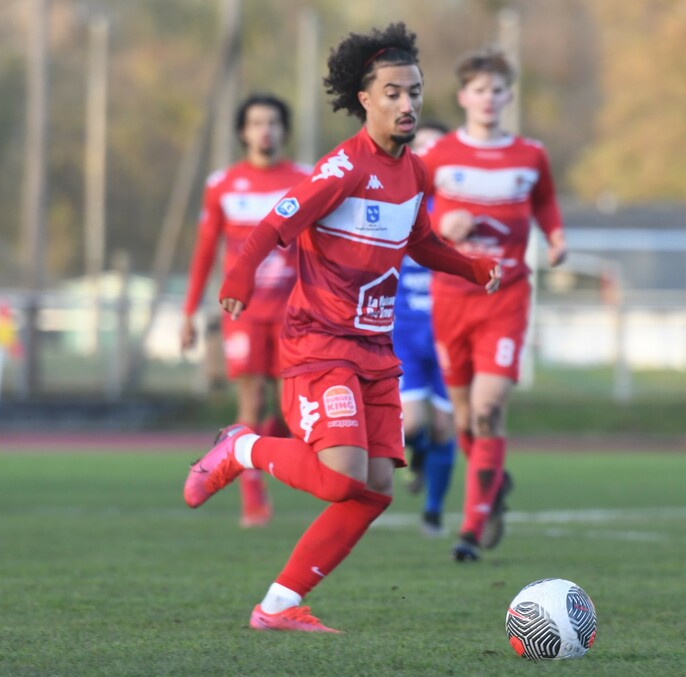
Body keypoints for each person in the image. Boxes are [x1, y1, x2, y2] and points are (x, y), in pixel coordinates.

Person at [183, 22, 501, 632]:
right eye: (392, 93)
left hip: (375, 349)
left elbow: (421, 241)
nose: (407, 104)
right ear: (365, 98)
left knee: (374, 488)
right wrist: (238, 281)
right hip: (318, 343)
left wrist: (471, 268)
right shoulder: (342, 168)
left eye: (414, 91)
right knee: (341, 477)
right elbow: (275, 225)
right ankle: (241, 447)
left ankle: (277, 606)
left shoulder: (415, 172)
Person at [420, 46, 567, 562]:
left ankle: (471, 527)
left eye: (497, 89)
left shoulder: (530, 155)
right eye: (479, 89)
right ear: (463, 96)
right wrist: (442, 227)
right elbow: (411, 218)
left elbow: (545, 200)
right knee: (463, 418)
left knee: (488, 409)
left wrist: (555, 237)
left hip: (505, 296)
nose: (488, 98)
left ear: (509, 96)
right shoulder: (438, 157)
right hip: (452, 298)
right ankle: (493, 483)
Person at [181, 94, 310, 528]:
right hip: (245, 313)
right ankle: (253, 501)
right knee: (251, 402)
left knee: (291, 416)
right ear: (243, 132)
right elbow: (204, 253)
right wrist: (188, 314)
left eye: (272, 122)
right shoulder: (222, 184)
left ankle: (237, 453)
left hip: (296, 312)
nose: (264, 130)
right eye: (256, 123)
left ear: (284, 130)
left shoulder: (305, 179)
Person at [393, 120, 457, 538]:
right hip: (406, 331)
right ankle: (416, 456)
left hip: (452, 331)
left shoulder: (462, 209)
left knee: (443, 427)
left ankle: (434, 510)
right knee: (413, 426)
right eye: (424, 149)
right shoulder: (397, 204)